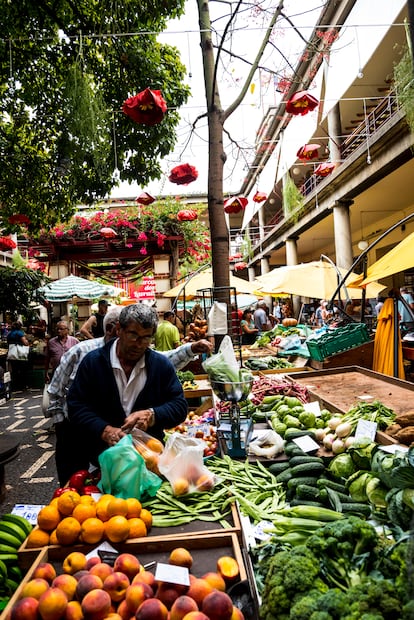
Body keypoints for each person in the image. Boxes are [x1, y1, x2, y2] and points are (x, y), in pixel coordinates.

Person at [48, 306, 212, 484]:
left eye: (146, 337)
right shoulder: (93, 363)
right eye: (133, 335)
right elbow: (76, 406)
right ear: (119, 329)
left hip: (149, 464)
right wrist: (104, 429)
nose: (139, 343)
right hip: (100, 462)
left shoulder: (160, 365)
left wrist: (152, 415)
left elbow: (179, 406)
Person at [7, 321, 30, 391]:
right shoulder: (19, 333)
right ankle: (22, 385)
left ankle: (15, 386)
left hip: (11, 353)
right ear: (20, 327)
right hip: (19, 354)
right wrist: (27, 342)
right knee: (22, 370)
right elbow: (25, 342)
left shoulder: (9, 333)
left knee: (14, 370)